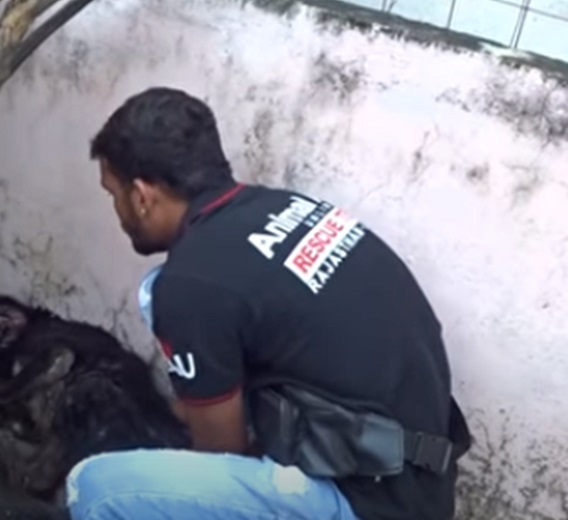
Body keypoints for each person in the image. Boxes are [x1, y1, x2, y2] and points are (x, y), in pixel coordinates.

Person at [65, 86, 469, 520]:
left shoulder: (191, 283)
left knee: (96, 489)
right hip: (419, 481)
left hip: (368, 503)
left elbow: (222, 454)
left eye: (114, 194)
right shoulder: (289, 207)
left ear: (143, 196)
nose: (118, 210)